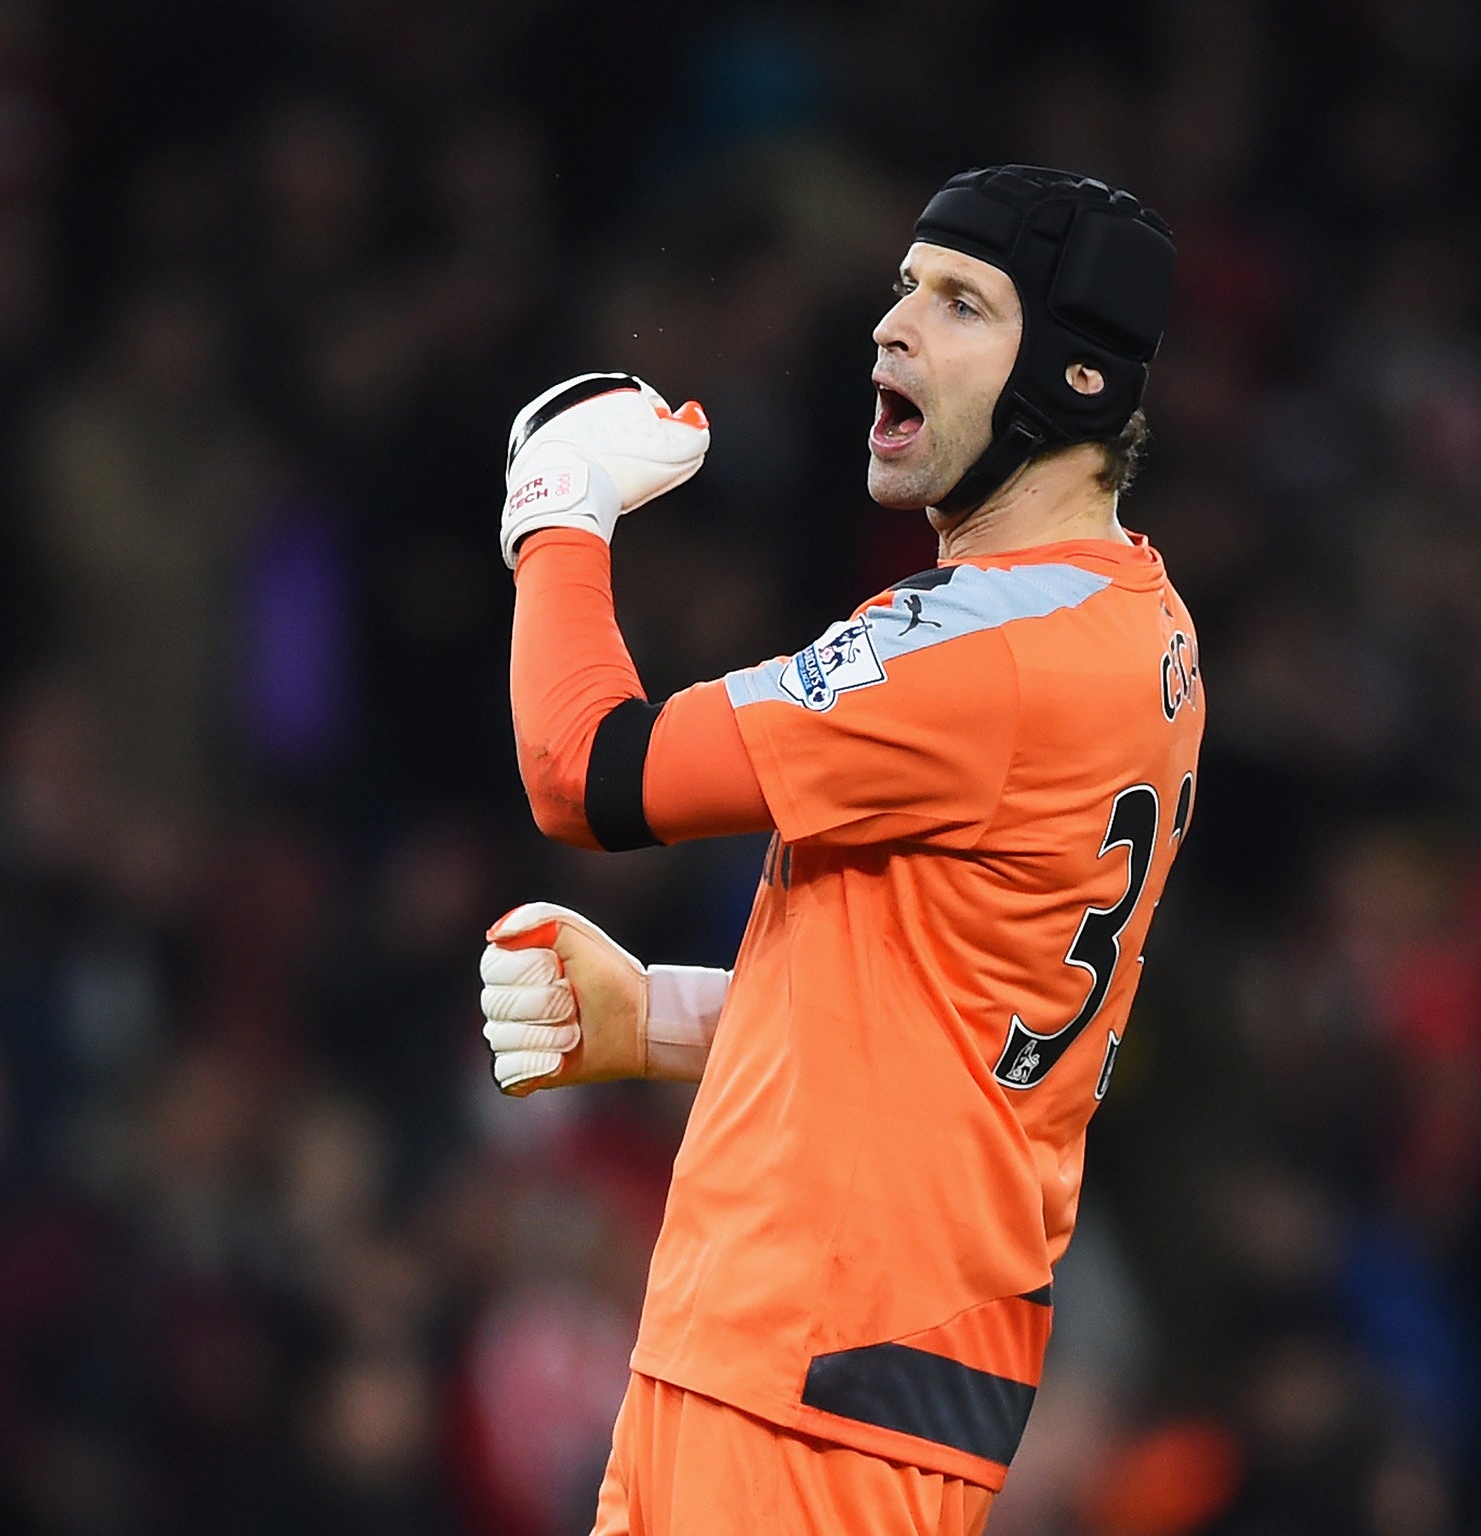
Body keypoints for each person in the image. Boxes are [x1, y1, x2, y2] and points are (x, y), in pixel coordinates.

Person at [480, 165, 1204, 1536]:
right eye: (902, 287)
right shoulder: (1142, 625)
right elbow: (955, 1033)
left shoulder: (990, 655)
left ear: (1077, 383)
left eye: (960, 302)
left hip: (804, 1379)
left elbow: (584, 769)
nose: (892, 326)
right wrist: (661, 1017)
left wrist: (557, 515)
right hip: (829, 1373)